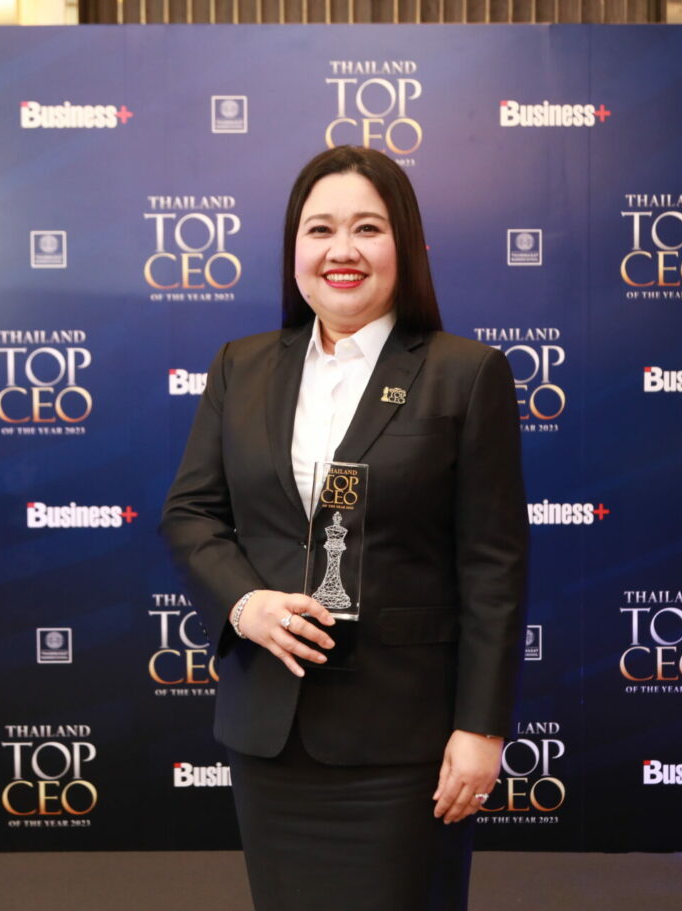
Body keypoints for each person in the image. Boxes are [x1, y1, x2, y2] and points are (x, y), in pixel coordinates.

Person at [160, 145, 528, 911]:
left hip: (404, 739)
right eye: (320, 229)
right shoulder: (240, 366)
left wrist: (482, 728)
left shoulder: (465, 373)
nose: (342, 250)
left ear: (406, 245)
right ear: (294, 247)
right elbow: (191, 512)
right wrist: (245, 603)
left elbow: (493, 564)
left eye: (368, 228)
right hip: (272, 731)